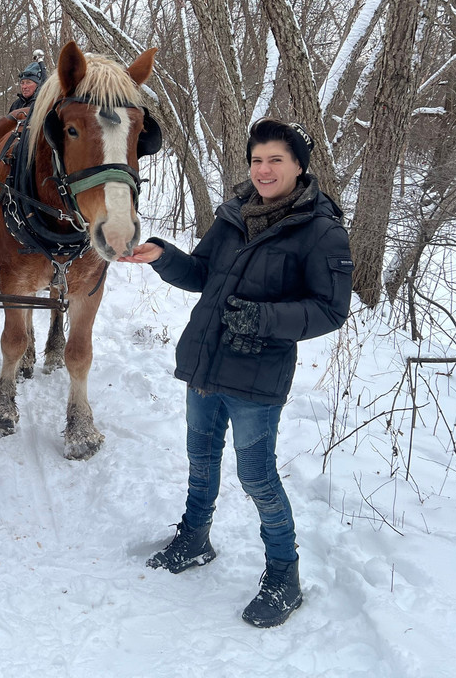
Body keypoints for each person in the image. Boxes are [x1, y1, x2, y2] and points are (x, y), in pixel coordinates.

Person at [121, 117, 353, 628]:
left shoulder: (321, 232)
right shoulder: (233, 216)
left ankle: (284, 575)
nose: (264, 169)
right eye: (256, 160)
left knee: (257, 476)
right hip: (207, 362)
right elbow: (202, 274)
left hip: (257, 376)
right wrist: (163, 255)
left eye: (275, 159)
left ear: (298, 166)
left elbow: (331, 310)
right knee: (200, 458)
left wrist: (266, 319)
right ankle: (195, 538)